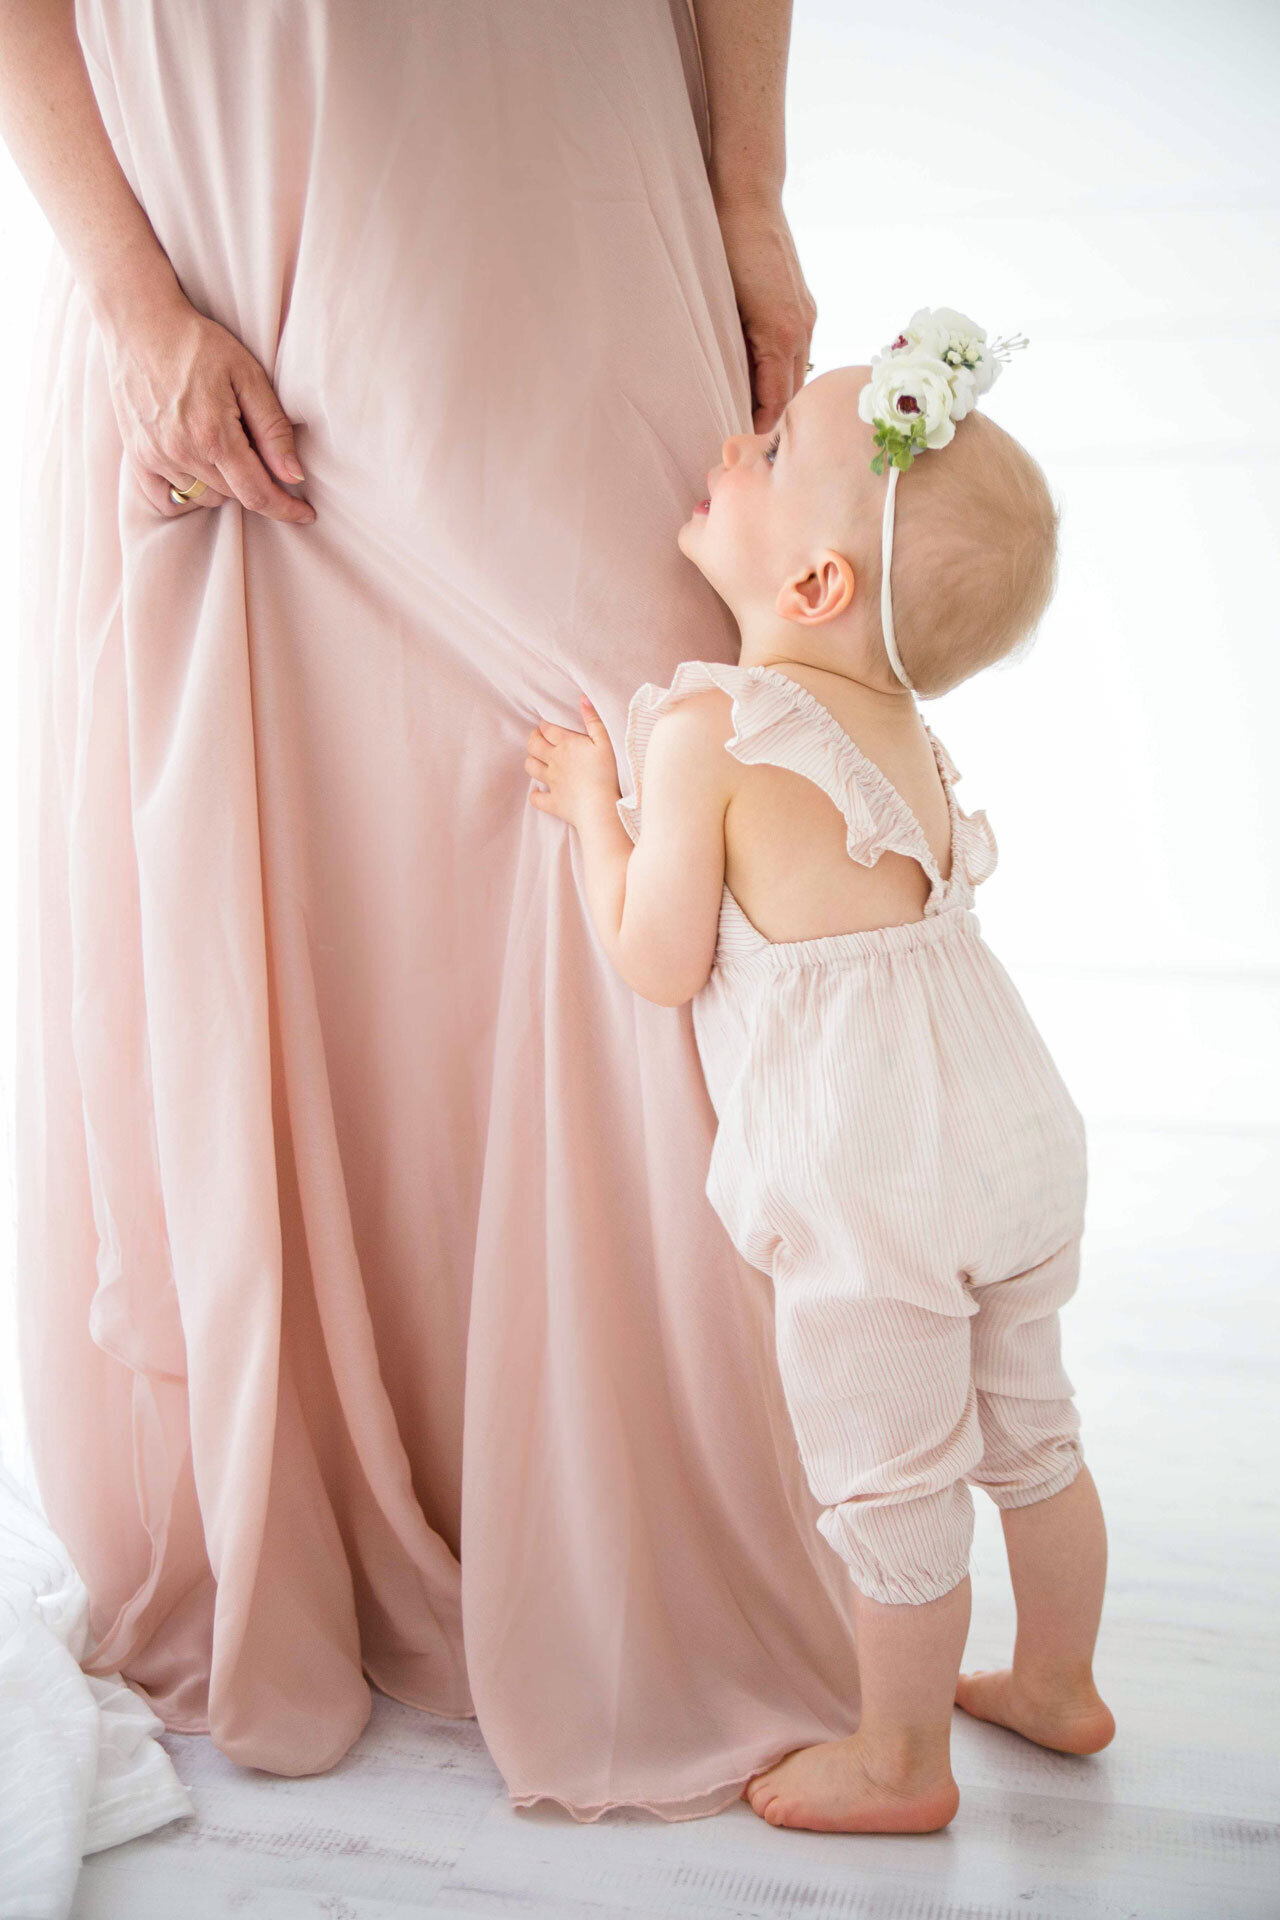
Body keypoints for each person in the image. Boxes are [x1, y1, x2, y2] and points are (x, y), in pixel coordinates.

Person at [0, 0, 874, 1818]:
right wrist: (129, 297)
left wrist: (753, 192)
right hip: (229, 178)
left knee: (643, 736)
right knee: (315, 805)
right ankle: (326, 1491)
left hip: (562, 145)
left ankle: (631, 1513)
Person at [524, 313, 1116, 1834]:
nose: (736, 439)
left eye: (773, 450)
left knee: (895, 1480)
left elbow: (657, 958)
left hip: (875, 1179)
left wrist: (595, 810)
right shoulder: (903, 729)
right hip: (1013, 1125)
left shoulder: (707, 731)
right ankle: (1058, 1682)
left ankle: (900, 1765)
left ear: (812, 585)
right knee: (1032, 1435)